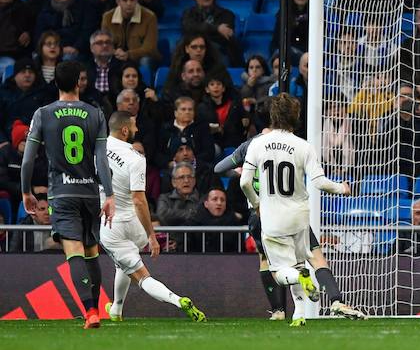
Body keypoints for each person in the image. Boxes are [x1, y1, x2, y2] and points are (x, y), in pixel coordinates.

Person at [215, 118, 366, 320]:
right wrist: (342, 188)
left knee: (270, 263)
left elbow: (219, 169)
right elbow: (318, 180)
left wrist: (239, 170)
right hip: (293, 211)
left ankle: (278, 311)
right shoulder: (295, 144)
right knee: (314, 257)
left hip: (263, 213)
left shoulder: (252, 145)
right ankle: (333, 301)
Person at [20, 60, 115, 329]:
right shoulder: (95, 113)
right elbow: (101, 160)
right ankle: (95, 309)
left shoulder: (43, 113)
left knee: (73, 251)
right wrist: (109, 194)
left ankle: (91, 311)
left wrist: (26, 191)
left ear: (56, 83)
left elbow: (28, 161)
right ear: (78, 83)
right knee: (91, 250)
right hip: (88, 193)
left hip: (61, 193)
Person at [100, 111, 206, 321]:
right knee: (124, 263)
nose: (137, 130)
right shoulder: (135, 158)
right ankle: (116, 311)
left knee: (140, 276)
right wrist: (150, 234)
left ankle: (178, 300)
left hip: (112, 223)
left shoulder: (96, 148)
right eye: (134, 126)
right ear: (124, 130)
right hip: (134, 224)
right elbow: (139, 200)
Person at [100, 0, 160, 68]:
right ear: (118, 1)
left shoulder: (150, 17)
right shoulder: (107, 17)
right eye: (125, 0)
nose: (129, 3)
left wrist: (128, 54)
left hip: (139, 58)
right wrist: (115, 52)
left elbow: (150, 48)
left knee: (145, 60)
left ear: (137, 0)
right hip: (117, 57)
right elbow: (105, 43)